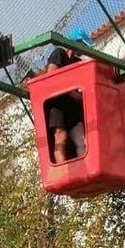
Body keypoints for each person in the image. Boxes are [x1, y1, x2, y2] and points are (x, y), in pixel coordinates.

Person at [42, 28, 92, 164]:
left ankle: (83, 169)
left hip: (72, 106)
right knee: (60, 136)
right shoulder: (59, 54)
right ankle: (62, 170)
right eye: (82, 44)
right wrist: (72, 93)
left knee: (82, 139)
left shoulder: (77, 62)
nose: (83, 49)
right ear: (75, 42)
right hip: (58, 103)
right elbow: (51, 76)